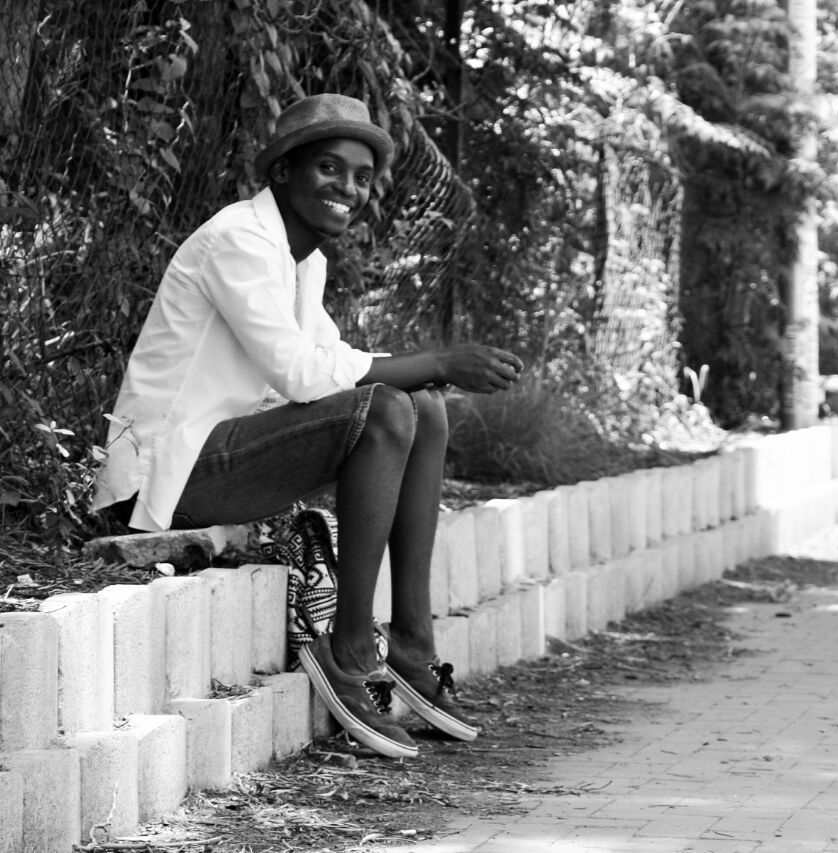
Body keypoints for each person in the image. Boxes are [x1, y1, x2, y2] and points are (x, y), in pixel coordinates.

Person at [92, 94, 524, 757]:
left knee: (423, 407)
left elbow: (329, 362)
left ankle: (411, 643)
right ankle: (351, 647)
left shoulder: (303, 260)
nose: (347, 187)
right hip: (168, 478)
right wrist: (437, 357)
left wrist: (428, 375)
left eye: (359, 176)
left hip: (229, 456)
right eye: (329, 167)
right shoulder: (239, 240)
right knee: (385, 408)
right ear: (284, 172)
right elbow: (301, 374)